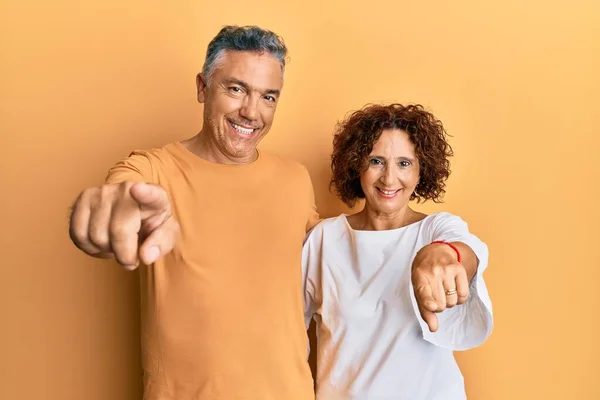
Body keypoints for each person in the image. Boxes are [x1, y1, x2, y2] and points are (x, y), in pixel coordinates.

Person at [69, 25, 318, 400]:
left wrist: (439, 246)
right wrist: (106, 214)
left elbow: (344, 259)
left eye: (268, 96)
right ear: (203, 88)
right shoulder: (151, 170)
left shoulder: (296, 178)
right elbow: (120, 197)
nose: (252, 112)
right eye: (236, 89)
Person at [302, 104, 493, 399]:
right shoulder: (324, 239)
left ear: (421, 170)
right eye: (376, 161)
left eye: (404, 163)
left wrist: (442, 255)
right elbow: (284, 336)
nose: (389, 179)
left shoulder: (435, 229)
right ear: (356, 165)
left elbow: (465, 251)